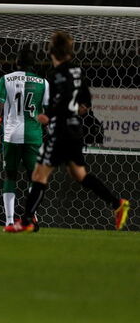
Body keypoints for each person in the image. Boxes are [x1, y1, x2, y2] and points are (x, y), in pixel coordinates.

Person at [7, 32, 130, 232]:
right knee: (80, 174)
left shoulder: (56, 75)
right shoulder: (78, 71)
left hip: (61, 130)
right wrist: (73, 109)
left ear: (51, 52)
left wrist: (50, 115)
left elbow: (62, 100)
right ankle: (117, 203)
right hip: (75, 129)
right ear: (70, 52)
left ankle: (28, 220)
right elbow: (86, 102)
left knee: (39, 175)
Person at [0, 49, 49, 229]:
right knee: (35, 178)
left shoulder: (5, 79)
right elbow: (47, 112)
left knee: (10, 176)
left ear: (17, 62)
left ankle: (8, 220)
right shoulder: (43, 83)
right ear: (34, 64)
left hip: (11, 135)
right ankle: (31, 216)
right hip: (33, 136)